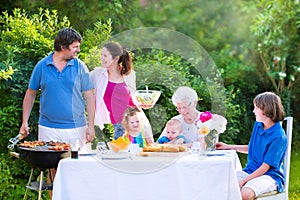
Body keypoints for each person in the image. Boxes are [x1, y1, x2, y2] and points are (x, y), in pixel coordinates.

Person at [19, 27, 95, 147]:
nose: (78, 50)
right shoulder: (42, 66)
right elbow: (30, 94)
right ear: (63, 46)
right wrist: (25, 122)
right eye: (75, 47)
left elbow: (90, 97)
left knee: (75, 165)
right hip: (48, 129)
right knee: (51, 165)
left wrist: (91, 125)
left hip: (76, 129)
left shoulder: (80, 67)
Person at [216, 92, 287, 200]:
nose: (253, 111)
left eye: (256, 108)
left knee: (245, 194)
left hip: (270, 176)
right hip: (251, 171)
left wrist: (244, 181)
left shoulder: (278, 136)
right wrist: (228, 146)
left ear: (265, 109)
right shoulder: (259, 125)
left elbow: (265, 168)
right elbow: (253, 148)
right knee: (221, 184)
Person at [90, 42, 151, 140]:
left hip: (133, 123)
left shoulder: (129, 75)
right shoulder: (97, 74)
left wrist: (143, 103)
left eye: (105, 55)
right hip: (113, 126)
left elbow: (133, 98)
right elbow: (79, 84)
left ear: (116, 58)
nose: (101, 58)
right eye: (101, 55)